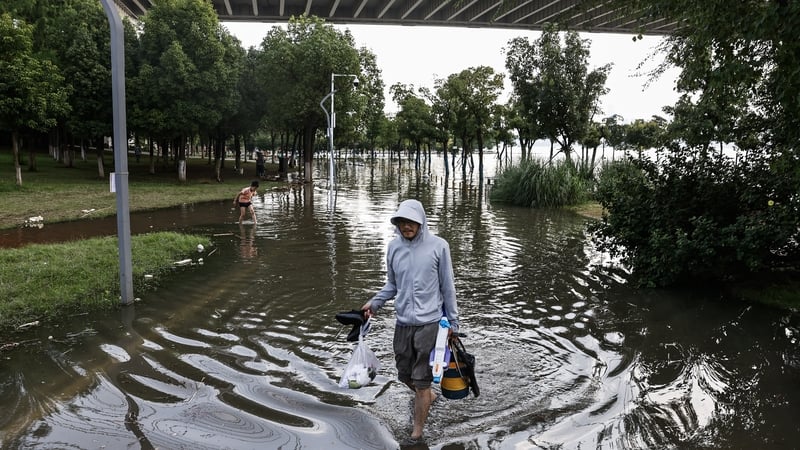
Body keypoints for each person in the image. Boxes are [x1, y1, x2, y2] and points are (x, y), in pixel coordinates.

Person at [361, 199, 460, 441]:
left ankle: (417, 432)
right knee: (404, 375)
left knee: (422, 380)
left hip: (430, 324)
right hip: (403, 323)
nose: (406, 226)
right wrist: (375, 302)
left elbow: (448, 288)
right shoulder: (394, 247)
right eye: (402, 222)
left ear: (421, 222)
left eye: (411, 222)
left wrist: (453, 325)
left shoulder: (439, 246)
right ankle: (427, 396)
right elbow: (392, 284)